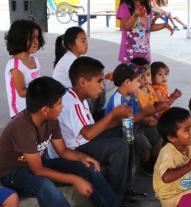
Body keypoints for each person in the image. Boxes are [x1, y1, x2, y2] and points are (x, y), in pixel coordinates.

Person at [0, 77, 119, 207]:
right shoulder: (22, 128)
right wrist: (74, 179)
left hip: (37, 164)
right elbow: (38, 171)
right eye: (59, 103)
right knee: (45, 186)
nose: (62, 106)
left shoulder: (51, 120)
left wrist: (83, 157)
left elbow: (62, 151)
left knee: (87, 167)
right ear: (45, 110)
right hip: (13, 173)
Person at [52, 56, 135, 206]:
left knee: (125, 132)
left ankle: (125, 188)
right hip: (75, 149)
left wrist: (119, 119)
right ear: (83, 81)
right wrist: (112, 115)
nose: (103, 86)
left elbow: (94, 127)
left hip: (86, 142)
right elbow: (89, 133)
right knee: (119, 146)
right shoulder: (72, 103)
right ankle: (116, 197)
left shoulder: (80, 99)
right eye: (99, 81)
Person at [105, 62, 162, 176]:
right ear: (127, 82)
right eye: (137, 80)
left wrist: (146, 121)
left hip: (133, 127)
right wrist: (143, 114)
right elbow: (123, 125)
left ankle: (148, 163)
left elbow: (135, 117)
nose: (139, 83)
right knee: (139, 142)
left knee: (157, 131)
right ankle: (135, 168)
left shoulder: (131, 95)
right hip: (120, 133)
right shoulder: (118, 100)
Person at [53, 27, 105, 121]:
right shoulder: (69, 60)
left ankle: (97, 113)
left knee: (100, 83)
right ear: (71, 45)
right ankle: (88, 118)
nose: (86, 44)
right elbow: (83, 81)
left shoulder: (77, 57)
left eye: (86, 40)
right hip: (63, 93)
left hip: (70, 89)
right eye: (83, 41)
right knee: (87, 93)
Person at [4, 19, 44, 118]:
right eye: (31, 38)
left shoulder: (34, 60)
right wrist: (44, 91)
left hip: (33, 108)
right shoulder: (15, 65)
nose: (36, 42)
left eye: (37, 38)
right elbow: (21, 92)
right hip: (20, 113)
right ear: (19, 39)